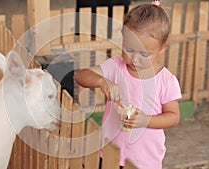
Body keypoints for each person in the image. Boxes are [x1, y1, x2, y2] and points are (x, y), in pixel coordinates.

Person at [75, 1, 182, 169]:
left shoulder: (165, 81)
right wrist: (102, 81)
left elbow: (174, 116)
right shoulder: (116, 67)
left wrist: (146, 120)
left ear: (163, 48)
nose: (135, 59)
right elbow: (81, 76)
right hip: (108, 153)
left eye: (144, 54)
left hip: (144, 161)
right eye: (129, 50)